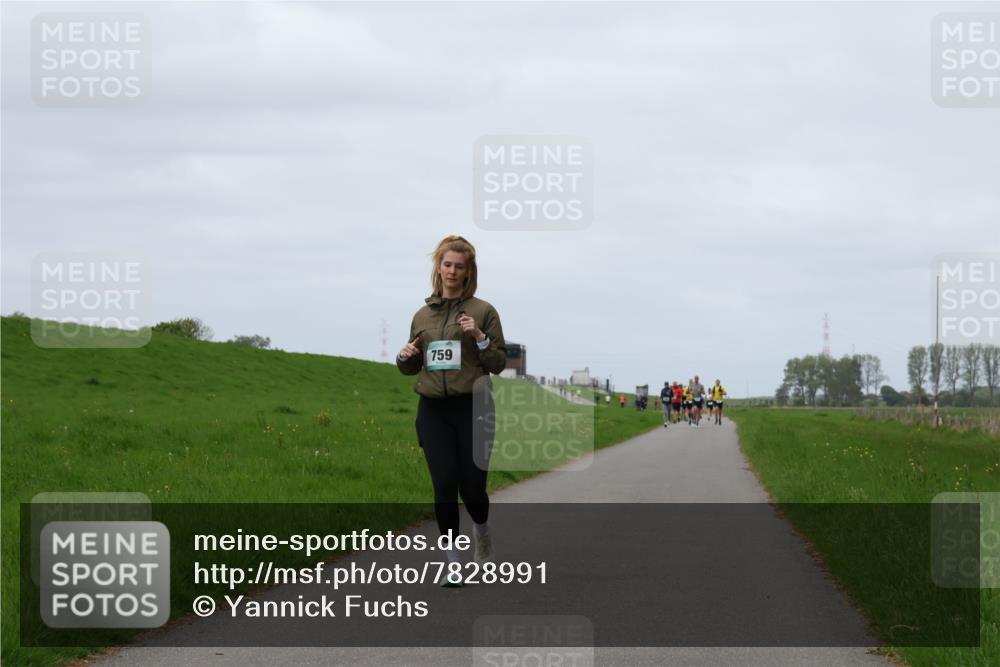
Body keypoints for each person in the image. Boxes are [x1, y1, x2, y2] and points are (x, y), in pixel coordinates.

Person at [396, 235, 506, 587]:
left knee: (472, 490)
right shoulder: (421, 316)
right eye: (447, 264)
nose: (452, 271)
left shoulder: (483, 311)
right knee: (443, 485)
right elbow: (414, 367)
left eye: (459, 266)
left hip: (473, 407)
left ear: (468, 271)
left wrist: (480, 339)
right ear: (438, 267)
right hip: (433, 410)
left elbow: (499, 362)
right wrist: (404, 359)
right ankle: (453, 561)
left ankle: (482, 533)